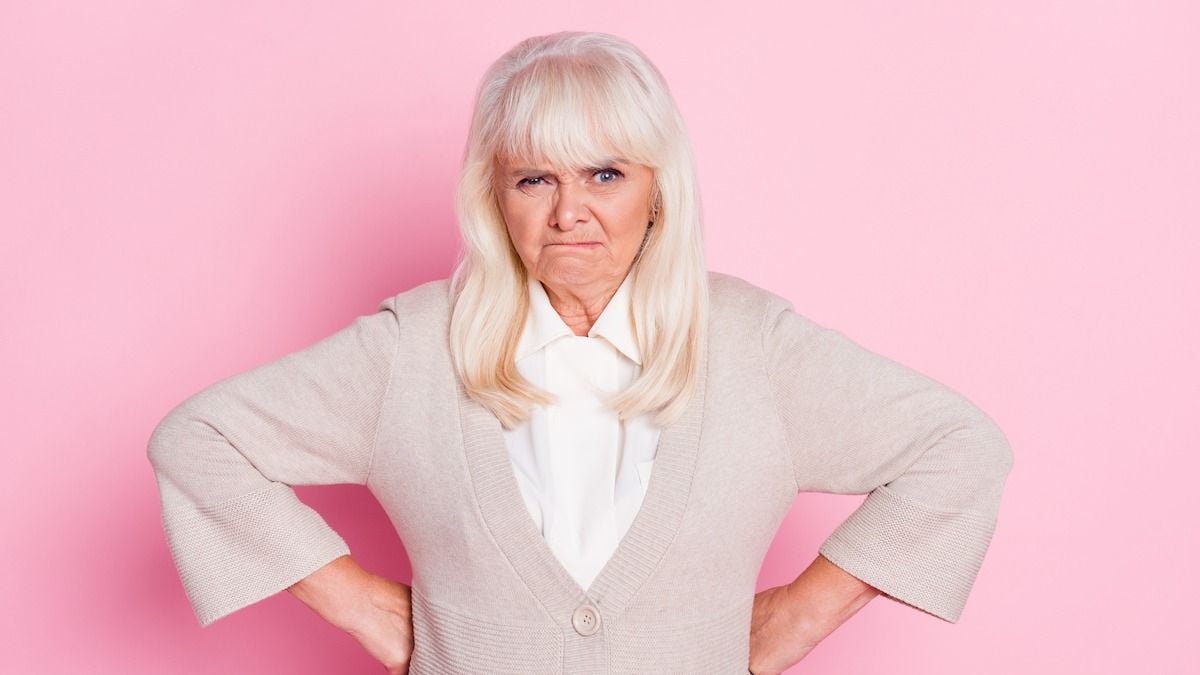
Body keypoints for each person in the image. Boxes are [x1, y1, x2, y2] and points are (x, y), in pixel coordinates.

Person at [146, 30, 1014, 675]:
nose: (570, 213)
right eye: (536, 179)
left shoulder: (755, 345)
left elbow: (961, 447)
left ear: (656, 187)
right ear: (495, 196)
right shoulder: (412, 347)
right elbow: (199, 439)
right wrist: (357, 600)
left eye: (604, 174)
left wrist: (801, 613)